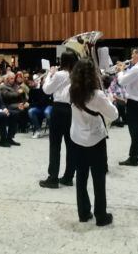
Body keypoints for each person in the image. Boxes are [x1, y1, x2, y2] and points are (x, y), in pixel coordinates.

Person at [69, 58, 118, 226]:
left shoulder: (71, 90)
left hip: (76, 138)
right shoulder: (97, 95)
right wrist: (109, 99)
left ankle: (83, 213)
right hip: (95, 139)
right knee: (98, 178)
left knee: (81, 176)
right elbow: (114, 115)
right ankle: (101, 215)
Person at [39, 51, 78, 188]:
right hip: (72, 110)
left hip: (59, 109)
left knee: (55, 145)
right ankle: (68, 177)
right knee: (70, 144)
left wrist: (50, 74)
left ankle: (53, 178)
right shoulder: (77, 74)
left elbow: (47, 90)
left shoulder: (60, 74)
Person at [117, 47, 138, 166]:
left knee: (134, 131)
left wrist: (121, 71)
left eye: (133, 53)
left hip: (134, 102)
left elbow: (122, 81)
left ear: (137, 55)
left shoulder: (137, 68)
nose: (131, 56)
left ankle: (133, 157)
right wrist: (126, 70)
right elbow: (134, 79)